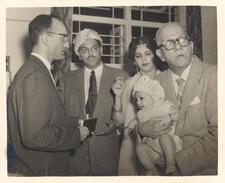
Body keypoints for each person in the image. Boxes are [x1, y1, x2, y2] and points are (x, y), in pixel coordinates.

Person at [7, 14, 89, 176]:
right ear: (45, 38)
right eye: (64, 38)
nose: (67, 44)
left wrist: (75, 123)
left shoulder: (39, 70)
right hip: (42, 170)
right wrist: (76, 134)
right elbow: (35, 136)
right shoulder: (35, 76)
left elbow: (48, 119)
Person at [137, 22, 217, 175]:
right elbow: (140, 120)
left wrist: (177, 164)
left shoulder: (214, 76)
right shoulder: (156, 84)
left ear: (191, 46)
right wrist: (142, 129)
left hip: (207, 170)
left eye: (182, 40)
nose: (178, 46)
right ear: (160, 55)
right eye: (169, 43)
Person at [64, 28, 128, 175]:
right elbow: (62, 114)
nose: (91, 53)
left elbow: (127, 119)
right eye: (85, 50)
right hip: (76, 155)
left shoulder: (120, 76)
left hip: (108, 153)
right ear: (79, 54)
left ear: (101, 50)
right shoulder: (68, 79)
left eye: (94, 48)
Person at [112, 36, 176, 175]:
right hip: (133, 147)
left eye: (148, 54)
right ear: (134, 60)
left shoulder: (167, 79)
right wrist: (117, 96)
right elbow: (119, 122)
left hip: (165, 145)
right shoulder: (129, 83)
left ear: (155, 55)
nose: (144, 59)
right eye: (138, 56)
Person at [126, 75, 180, 175]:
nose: (138, 102)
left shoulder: (163, 106)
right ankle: (151, 169)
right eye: (136, 99)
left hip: (168, 144)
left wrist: (168, 117)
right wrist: (129, 126)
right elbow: (136, 121)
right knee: (139, 148)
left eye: (141, 98)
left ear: (153, 96)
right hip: (151, 146)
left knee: (164, 137)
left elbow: (177, 114)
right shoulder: (142, 113)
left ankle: (170, 163)